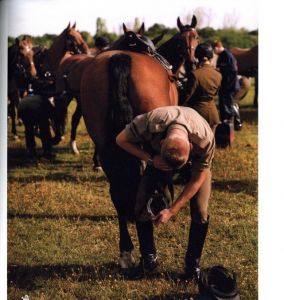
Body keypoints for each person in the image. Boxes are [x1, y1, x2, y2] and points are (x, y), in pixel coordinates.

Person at [116, 106, 215, 280]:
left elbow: (199, 176)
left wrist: (172, 210)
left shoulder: (205, 138)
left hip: (196, 166)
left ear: (191, 146)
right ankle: (149, 259)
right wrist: (149, 159)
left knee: (201, 211)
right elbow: (121, 140)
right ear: (161, 143)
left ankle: (192, 267)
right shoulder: (148, 121)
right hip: (158, 160)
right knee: (141, 204)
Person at [183, 43, 222, 134]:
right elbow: (215, 92)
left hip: (198, 113)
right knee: (210, 143)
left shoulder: (195, 74)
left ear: (198, 57)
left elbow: (187, 95)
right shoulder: (218, 74)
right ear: (211, 57)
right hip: (213, 113)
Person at [212, 40, 242, 130]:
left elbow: (232, 70)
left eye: (214, 50)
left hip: (229, 85)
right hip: (226, 85)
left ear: (217, 48)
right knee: (227, 104)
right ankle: (231, 122)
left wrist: (218, 70)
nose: (214, 52)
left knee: (228, 105)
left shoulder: (227, 55)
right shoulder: (222, 55)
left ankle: (233, 123)